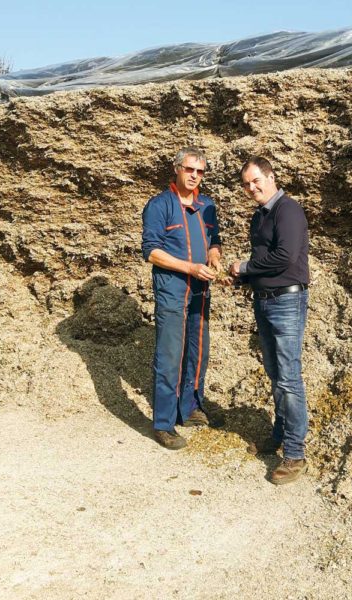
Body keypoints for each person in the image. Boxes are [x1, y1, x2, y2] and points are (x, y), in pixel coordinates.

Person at [229, 156, 310, 485]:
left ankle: (294, 454)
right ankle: (279, 434)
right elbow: (264, 262)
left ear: (271, 176)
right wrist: (237, 278)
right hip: (264, 301)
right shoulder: (259, 216)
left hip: (287, 301)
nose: (252, 188)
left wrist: (244, 268)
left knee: (288, 376)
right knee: (275, 373)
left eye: (256, 181)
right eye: (247, 184)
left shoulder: (287, 210)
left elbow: (285, 257)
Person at [142, 147, 222, 450]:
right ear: (177, 169)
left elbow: (215, 240)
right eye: (190, 169)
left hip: (201, 288)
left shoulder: (207, 205)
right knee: (170, 354)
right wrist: (190, 267)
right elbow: (151, 251)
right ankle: (163, 423)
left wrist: (214, 257)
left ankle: (189, 408)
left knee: (198, 349)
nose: (194, 176)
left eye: (200, 172)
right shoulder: (159, 205)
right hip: (173, 288)